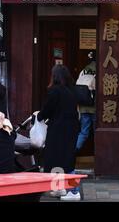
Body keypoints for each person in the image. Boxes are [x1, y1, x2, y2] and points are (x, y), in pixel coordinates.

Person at [36, 64, 81, 201]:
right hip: (71, 129)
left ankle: (68, 191)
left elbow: (47, 110)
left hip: (58, 129)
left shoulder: (55, 91)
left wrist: (38, 116)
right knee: (68, 159)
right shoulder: (72, 90)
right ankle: (66, 189)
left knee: (56, 159)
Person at [75, 50, 97, 153]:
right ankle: (99, 155)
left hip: (83, 107)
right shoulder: (101, 69)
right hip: (95, 106)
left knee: (84, 132)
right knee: (98, 132)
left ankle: (73, 151)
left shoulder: (83, 71)